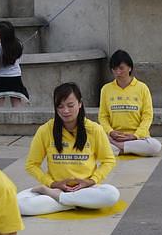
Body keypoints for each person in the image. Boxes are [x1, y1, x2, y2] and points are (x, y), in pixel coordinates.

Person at [17, 82, 119, 217]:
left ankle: (64, 201)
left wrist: (91, 180)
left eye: (70, 105)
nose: (65, 111)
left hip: (86, 189)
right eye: (60, 106)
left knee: (111, 194)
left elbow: (108, 160)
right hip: (55, 189)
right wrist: (52, 184)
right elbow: (31, 165)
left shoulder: (94, 129)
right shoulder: (45, 130)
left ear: (80, 104)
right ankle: (78, 203)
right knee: (18, 203)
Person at [99, 50, 162, 157]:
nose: (118, 72)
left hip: (138, 138)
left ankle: (119, 148)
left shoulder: (142, 88)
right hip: (114, 137)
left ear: (130, 68)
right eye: (115, 69)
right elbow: (103, 116)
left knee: (155, 146)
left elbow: (147, 116)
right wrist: (110, 132)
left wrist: (135, 135)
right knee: (95, 143)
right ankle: (127, 148)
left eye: (121, 68)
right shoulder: (106, 89)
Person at [0, 20, 29, 107]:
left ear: (0, 34)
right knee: (17, 107)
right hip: (16, 78)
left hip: (1, 80)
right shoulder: (19, 44)